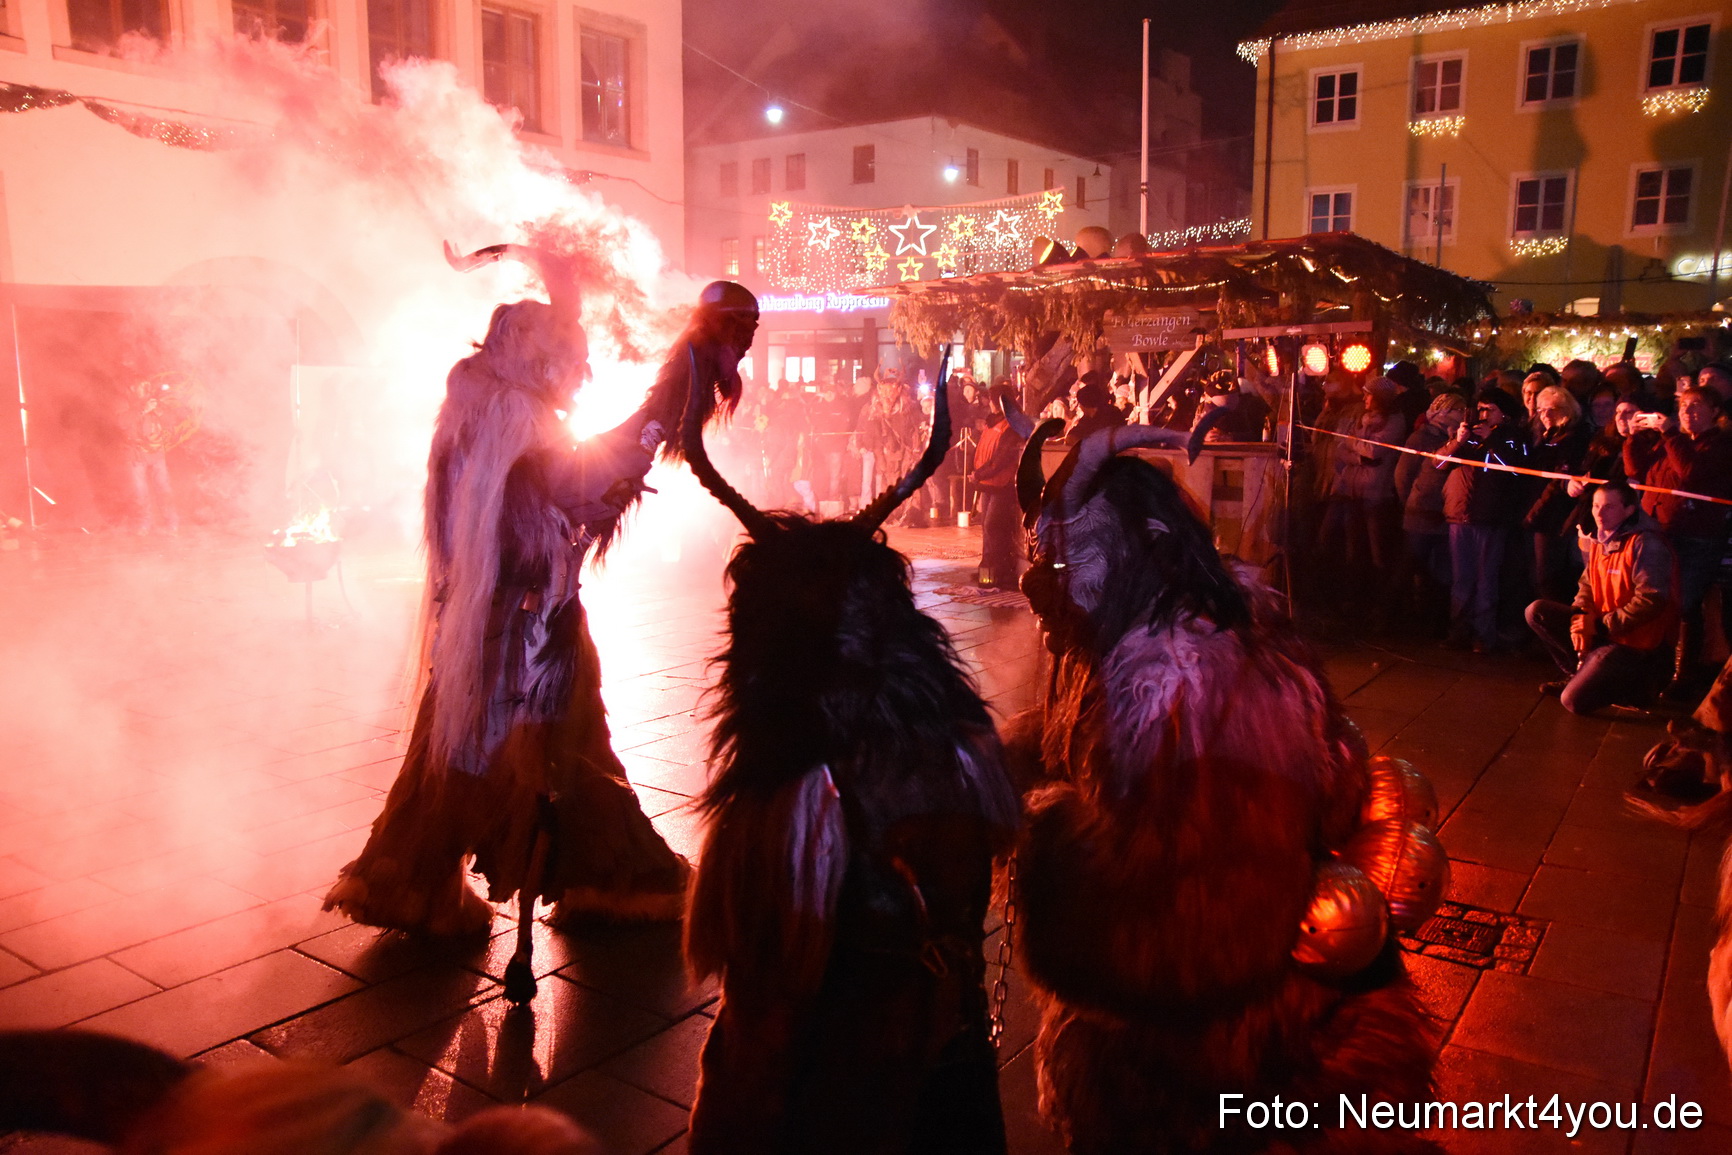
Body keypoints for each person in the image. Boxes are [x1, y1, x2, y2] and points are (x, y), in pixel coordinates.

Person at [324, 257, 757, 936]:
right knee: (493, 752)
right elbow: (592, 483)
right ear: (539, 357)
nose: (580, 374)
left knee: (528, 745)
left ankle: (578, 874)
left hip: (512, 616)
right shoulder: (513, 423)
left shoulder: (485, 409)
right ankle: (574, 877)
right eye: (570, 358)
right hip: (520, 627)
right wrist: (681, 378)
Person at [1526, 481, 1677, 714]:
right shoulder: (1600, 538)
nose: (1598, 513)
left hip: (1634, 642)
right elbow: (1587, 583)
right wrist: (1580, 617)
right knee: (1537, 611)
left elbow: (1652, 599)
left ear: (1629, 510)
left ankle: (1635, 686)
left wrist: (1600, 626)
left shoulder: (1646, 543)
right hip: (1605, 630)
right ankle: (1579, 672)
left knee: (1573, 701)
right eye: (1596, 506)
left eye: (1609, 507)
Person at [1625, 386, 1732, 700]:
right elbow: (1637, 470)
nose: (1688, 411)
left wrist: (1671, 434)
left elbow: (1690, 473)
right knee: (1655, 600)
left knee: (1684, 603)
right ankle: (1655, 669)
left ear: (1715, 411)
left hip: (1696, 537)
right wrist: (1632, 437)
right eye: (1684, 405)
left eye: (1697, 405)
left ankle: (1683, 676)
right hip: (1659, 531)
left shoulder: (1721, 444)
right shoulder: (1671, 442)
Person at [1439, 387, 1529, 652]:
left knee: (1486, 578)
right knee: (1461, 578)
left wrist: (1492, 441)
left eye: (1489, 409)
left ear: (1504, 412)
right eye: (1480, 408)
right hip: (1460, 515)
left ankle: (1484, 635)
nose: (1483, 414)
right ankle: (1458, 631)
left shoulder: (1513, 437)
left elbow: (1515, 471)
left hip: (1490, 517)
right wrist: (1458, 440)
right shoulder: (1468, 437)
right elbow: (1438, 464)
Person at [1395, 391, 1468, 634]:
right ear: (1444, 411)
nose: (1462, 414)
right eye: (1458, 409)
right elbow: (1403, 474)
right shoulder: (1422, 437)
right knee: (1411, 564)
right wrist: (1410, 501)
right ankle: (1396, 615)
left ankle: (1431, 619)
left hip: (1444, 513)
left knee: (1439, 572)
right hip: (1421, 511)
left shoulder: (1461, 438)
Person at [1523, 385, 1593, 601]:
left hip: (1554, 516)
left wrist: (1532, 515)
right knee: (1535, 575)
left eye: (1551, 409)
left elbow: (1559, 479)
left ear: (1567, 410)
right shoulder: (1546, 435)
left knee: (1549, 577)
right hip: (1539, 511)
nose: (1545, 415)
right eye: (1541, 410)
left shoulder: (1574, 437)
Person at [972, 384, 1027, 588]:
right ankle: (987, 568)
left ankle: (1001, 570)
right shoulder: (992, 422)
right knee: (986, 529)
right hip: (987, 483)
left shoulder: (1011, 425)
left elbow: (1001, 459)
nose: (991, 404)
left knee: (994, 526)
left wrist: (979, 473)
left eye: (994, 400)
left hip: (1002, 484)